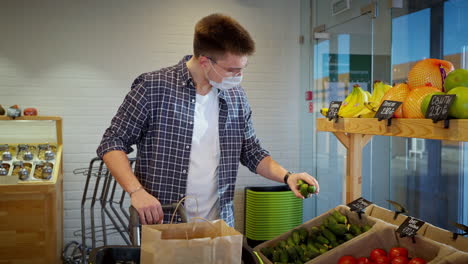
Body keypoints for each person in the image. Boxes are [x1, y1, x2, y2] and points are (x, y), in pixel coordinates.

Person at [97, 13, 319, 227]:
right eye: (232, 70)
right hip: (163, 221)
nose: (238, 77)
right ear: (205, 62)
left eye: (242, 69)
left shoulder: (236, 96)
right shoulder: (153, 86)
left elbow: (251, 151)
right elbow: (113, 142)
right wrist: (137, 192)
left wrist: (287, 176)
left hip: (219, 223)